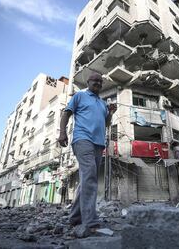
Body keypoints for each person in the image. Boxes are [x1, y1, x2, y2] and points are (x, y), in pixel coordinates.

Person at [58, 72, 117, 237]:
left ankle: (75, 217)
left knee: (87, 179)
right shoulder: (80, 96)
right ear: (88, 81)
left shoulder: (103, 103)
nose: (98, 83)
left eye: (100, 81)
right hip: (82, 139)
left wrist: (110, 112)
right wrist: (62, 133)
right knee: (90, 175)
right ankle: (90, 221)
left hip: (98, 144)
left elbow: (106, 123)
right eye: (95, 80)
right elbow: (66, 113)